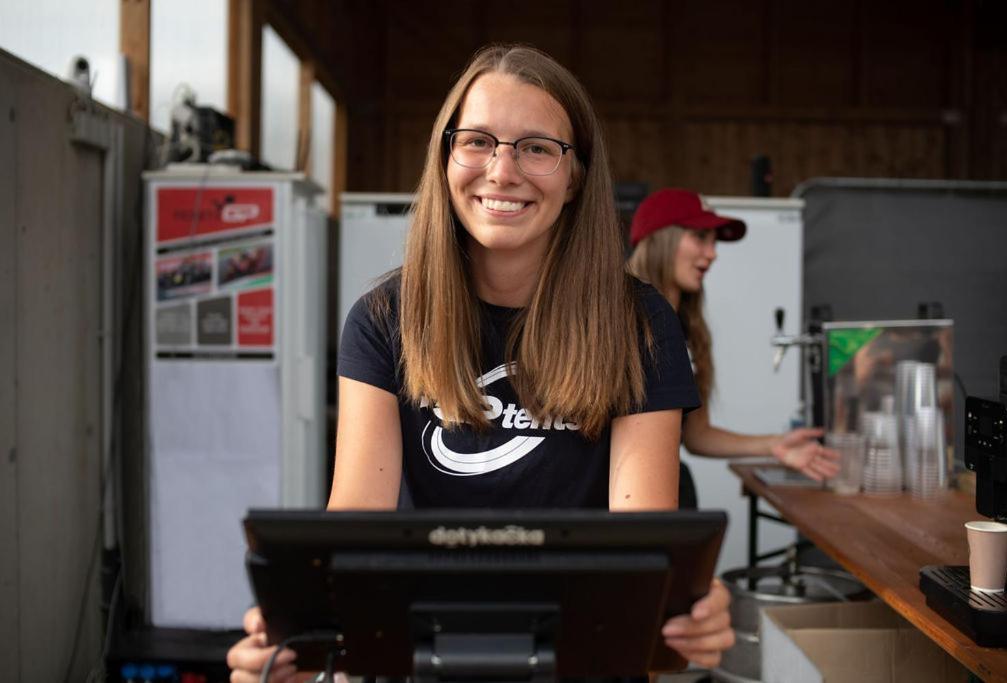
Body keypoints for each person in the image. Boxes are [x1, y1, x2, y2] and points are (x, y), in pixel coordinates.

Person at [227, 46, 734, 682]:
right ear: (446, 158)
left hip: (579, 662)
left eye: (536, 147)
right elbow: (354, 529)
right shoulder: (384, 319)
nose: (502, 170)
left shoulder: (640, 322)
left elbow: (644, 543)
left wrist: (681, 610)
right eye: (478, 141)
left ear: (575, 175)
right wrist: (296, 646)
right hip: (416, 659)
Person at [626, 188, 840, 486]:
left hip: (668, 485)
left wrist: (775, 446)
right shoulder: (617, 322)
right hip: (615, 499)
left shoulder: (687, 329)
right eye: (700, 237)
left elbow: (696, 435)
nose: (712, 253)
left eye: (714, 242)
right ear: (662, 238)